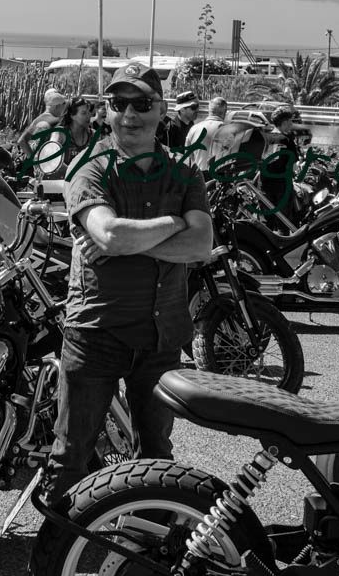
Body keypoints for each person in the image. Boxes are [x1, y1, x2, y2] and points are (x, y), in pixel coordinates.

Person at [44, 62, 213, 504]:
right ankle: (54, 560)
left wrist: (131, 241)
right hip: (97, 332)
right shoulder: (91, 167)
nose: (130, 114)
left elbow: (199, 245)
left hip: (161, 336)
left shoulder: (183, 170)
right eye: (119, 104)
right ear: (108, 110)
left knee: (156, 454)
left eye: (142, 103)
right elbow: (109, 235)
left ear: (161, 109)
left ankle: (148, 549)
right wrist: (173, 224)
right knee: (71, 455)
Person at [184, 96, 226, 170]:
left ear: (209, 111)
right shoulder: (228, 129)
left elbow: (187, 159)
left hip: (197, 177)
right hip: (218, 178)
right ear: (225, 112)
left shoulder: (193, 129)